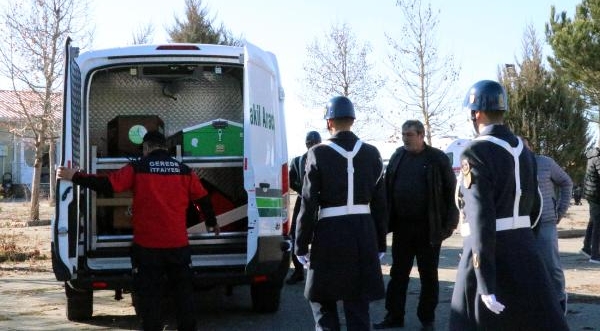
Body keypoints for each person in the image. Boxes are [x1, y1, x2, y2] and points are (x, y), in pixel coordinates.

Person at [57, 131, 219, 331]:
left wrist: (75, 176)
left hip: (148, 247)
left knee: (150, 297)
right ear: (165, 148)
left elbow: (107, 185)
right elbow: (202, 198)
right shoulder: (184, 170)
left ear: (147, 148)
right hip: (177, 246)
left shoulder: (138, 168)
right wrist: (211, 222)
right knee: (183, 294)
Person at [449, 80, 569, 330]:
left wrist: (484, 280)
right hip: (523, 247)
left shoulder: (475, 152)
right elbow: (535, 204)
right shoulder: (522, 150)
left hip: (486, 251)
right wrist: (526, 242)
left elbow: (480, 215)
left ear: (476, 113)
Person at [295, 96, 388, 331]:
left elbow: (308, 203)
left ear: (329, 123)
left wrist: (301, 244)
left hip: (329, 234)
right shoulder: (372, 153)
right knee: (357, 303)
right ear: (353, 120)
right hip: (363, 232)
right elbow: (380, 203)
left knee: (323, 301)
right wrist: (380, 243)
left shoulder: (317, 153)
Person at [373, 120, 458, 330]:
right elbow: (386, 189)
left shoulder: (437, 158)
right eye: (403, 134)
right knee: (398, 274)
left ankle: (427, 319)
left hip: (429, 229)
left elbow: (452, 193)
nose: (405, 138)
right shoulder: (397, 157)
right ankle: (394, 316)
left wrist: (448, 225)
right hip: (402, 228)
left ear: (421, 135)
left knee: (428, 276)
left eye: (409, 134)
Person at [522, 137, 572, 313]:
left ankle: (559, 299)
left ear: (531, 147)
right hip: (521, 225)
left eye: (525, 147)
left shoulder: (545, 163)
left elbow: (566, 182)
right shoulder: (511, 165)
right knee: (525, 266)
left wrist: (561, 209)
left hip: (545, 222)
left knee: (551, 264)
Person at [286, 130, 322, 285]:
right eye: (309, 143)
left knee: (321, 237)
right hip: (302, 203)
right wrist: (304, 191)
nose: (312, 145)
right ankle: (298, 271)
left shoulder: (327, 159)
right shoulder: (297, 161)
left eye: (315, 142)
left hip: (322, 203)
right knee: (295, 235)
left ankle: (320, 271)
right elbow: (290, 180)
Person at [583, 147, 600, 263]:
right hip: (596, 195)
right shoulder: (598, 158)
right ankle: (595, 255)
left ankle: (586, 248)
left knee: (593, 221)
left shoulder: (592, 155)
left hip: (591, 194)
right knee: (598, 224)